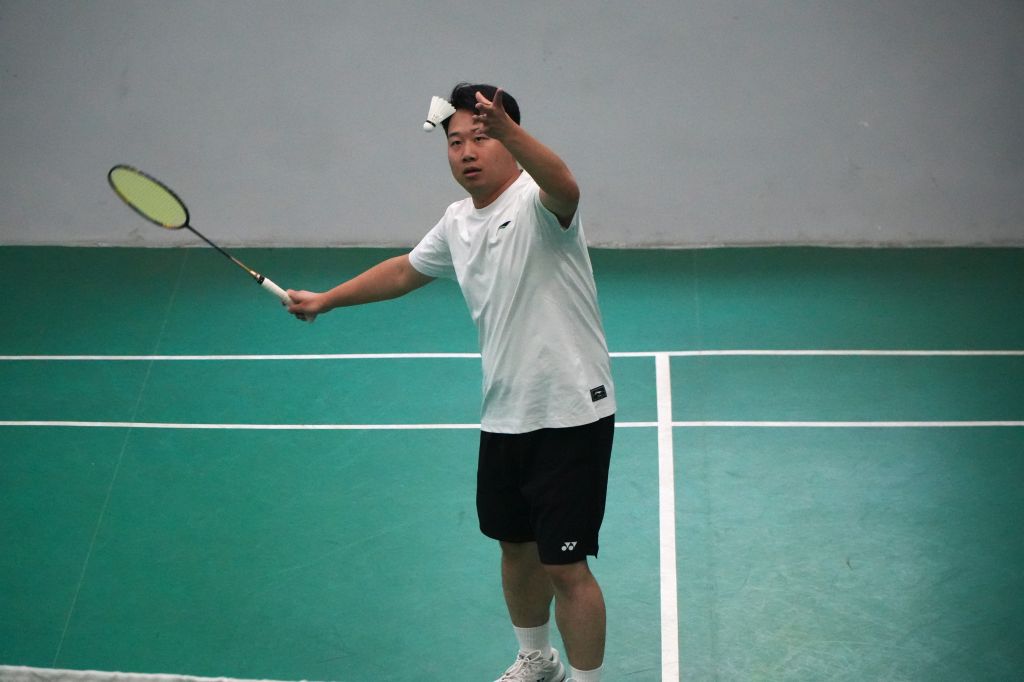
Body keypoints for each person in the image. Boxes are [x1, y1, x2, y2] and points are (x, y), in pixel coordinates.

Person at [286, 83, 615, 682]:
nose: (466, 151)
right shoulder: (458, 221)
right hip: (505, 412)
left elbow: (567, 184)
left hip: (570, 411)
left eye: (482, 137)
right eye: (455, 141)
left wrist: (508, 128)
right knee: (515, 547)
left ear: (511, 140)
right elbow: (403, 271)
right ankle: (537, 659)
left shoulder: (539, 203)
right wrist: (327, 300)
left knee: (566, 566)